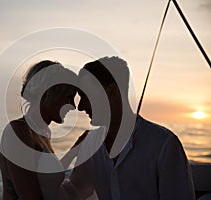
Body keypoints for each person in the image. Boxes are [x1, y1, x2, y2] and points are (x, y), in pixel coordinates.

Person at [62, 56, 196, 199]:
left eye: (85, 96)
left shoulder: (164, 145)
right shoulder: (89, 144)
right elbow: (74, 191)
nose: (80, 106)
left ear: (111, 92)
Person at [0, 60, 77, 200]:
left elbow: (43, 177)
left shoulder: (43, 132)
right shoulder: (18, 131)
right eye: (69, 97)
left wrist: (74, 151)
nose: (73, 106)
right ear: (50, 93)